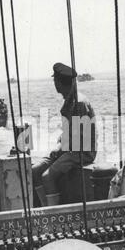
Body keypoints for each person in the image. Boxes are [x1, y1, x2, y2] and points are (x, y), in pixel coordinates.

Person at [32, 63, 97, 207]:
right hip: (70, 148)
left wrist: (61, 149)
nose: (54, 83)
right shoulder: (69, 101)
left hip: (82, 151)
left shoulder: (79, 103)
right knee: (35, 171)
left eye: (55, 80)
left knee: (47, 177)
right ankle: (45, 207)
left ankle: (52, 215)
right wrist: (60, 147)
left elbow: (81, 139)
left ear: (59, 83)